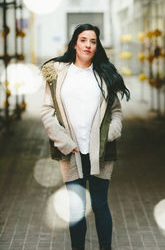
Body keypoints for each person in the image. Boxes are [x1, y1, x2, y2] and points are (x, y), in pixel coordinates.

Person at [40, 23, 130, 250]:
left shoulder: (104, 74)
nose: (88, 45)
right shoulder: (58, 72)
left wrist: (110, 134)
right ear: (74, 43)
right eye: (83, 40)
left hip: (101, 150)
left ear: (97, 46)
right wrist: (64, 142)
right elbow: (47, 111)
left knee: (100, 205)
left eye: (93, 41)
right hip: (71, 150)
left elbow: (116, 112)